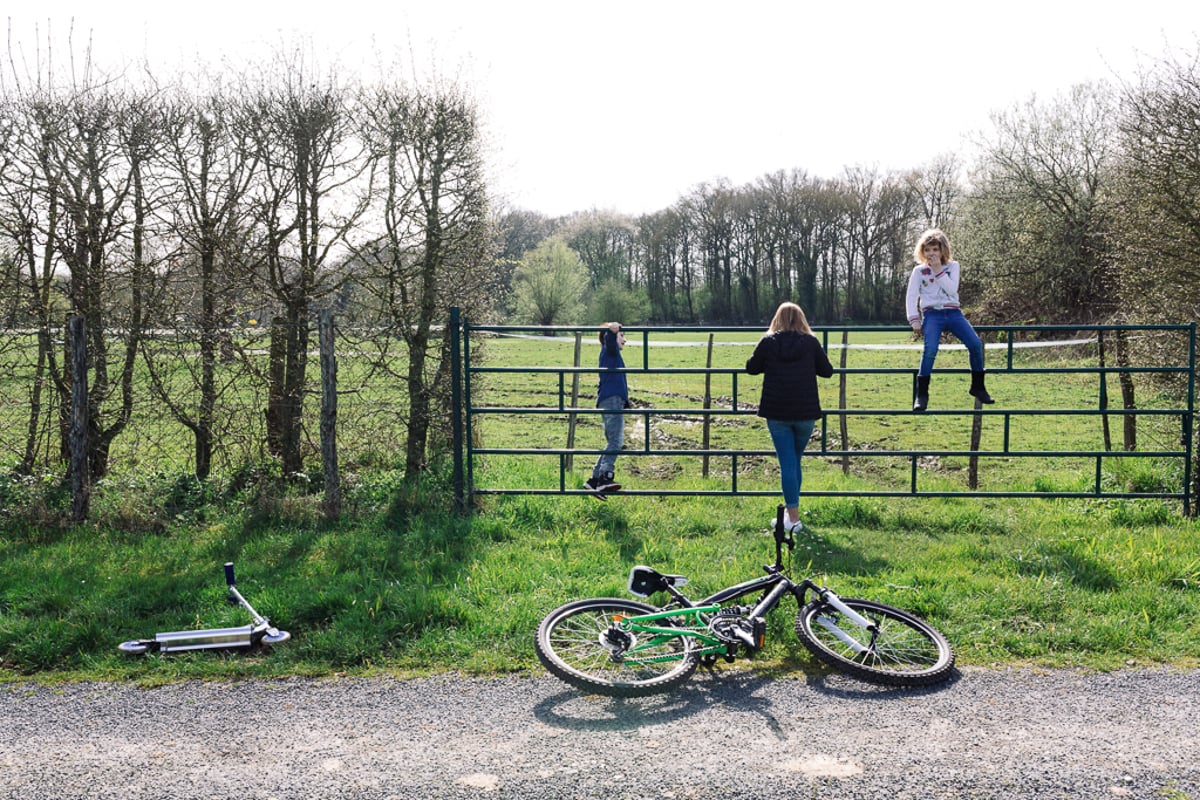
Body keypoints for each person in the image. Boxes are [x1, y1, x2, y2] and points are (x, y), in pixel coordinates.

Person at [746, 302, 833, 533]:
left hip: (777, 413)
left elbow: (751, 368)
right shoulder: (811, 343)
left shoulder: (768, 342)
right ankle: (790, 514)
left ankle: (793, 521)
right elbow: (827, 371)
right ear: (802, 320)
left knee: (788, 463)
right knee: (794, 461)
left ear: (777, 319)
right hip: (805, 414)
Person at [904, 228, 994, 412]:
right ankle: (922, 394)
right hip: (932, 314)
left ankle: (978, 386)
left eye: (935, 249)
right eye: (928, 250)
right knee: (930, 349)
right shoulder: (919, 271)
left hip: (953, 313)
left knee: (975, 344)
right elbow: (911, 296)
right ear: (922, 251)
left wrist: (937, 270)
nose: (931, 254)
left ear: (942, 250)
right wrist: (914, 319)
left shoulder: (953, 267)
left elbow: (952, 290)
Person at [586, 321, 628, 492]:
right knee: (616, 442)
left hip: (610, 399)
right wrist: (612, 330)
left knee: (612, 442)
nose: (625, 340)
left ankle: (594, 480)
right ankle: (605, 477)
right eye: (622, 336)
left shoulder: (610, 355)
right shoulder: (610, 350)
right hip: (612, 400)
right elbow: (610, 339)